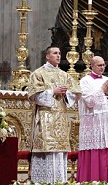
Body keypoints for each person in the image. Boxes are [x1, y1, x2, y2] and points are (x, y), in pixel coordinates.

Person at [26, 46, 80, 183]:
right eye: (55, 53)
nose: (58, 55)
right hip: (45, 118)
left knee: (60, 152)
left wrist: (66, 93)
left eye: (59, 53)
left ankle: (59, 181)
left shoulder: (64, 74)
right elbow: (33, 95)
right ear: (47, 56)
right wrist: (52, 92)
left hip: (61, 118)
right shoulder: (38, 73)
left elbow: (75, 93)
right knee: (46, 151)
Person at [77, 56, 108, 182]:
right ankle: (90, 179)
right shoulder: (85, 81)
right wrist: (101, 91)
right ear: (92, 66)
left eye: (103, 65)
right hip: (92, 120)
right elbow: (89, 101)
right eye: (99, 65)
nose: (102, 67)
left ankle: (106, 179)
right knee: (94, 149)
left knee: (106, 148)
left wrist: (107, 93)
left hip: (106, 119)